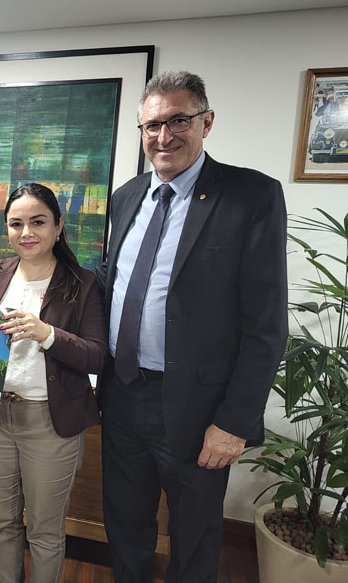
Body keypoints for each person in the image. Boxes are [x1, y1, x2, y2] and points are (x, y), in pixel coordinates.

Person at [97, 71, 287, 583]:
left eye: (178, 121)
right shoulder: (126, 196)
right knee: (125, 527)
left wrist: (235, 423)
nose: (164, 136)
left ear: (207, 121)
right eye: (152, 125)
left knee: (195, 538)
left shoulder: (251, 195)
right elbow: (113, 284)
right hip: (122, 394)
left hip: (198, 409)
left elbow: (266, 324)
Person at [0, 182, 107, 582]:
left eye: (38, 222)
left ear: (58, 226)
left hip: (49, 423)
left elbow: (97, 354)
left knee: (44, 531)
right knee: (2, 520)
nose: (26, 233)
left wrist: (47, 334)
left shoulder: (83, 283)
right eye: (16, 224)